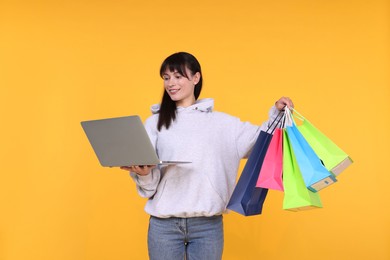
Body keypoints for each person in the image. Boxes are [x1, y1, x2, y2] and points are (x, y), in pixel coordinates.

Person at [121, 52, 293, 260]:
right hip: (164, 226)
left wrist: (276, 114)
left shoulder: (223, 124)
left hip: (207, 226)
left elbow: (261, 142)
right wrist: (145, 173)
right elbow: (149, 188)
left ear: (196, 77)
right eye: (166, 78)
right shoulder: (154, 123)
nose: (171, 83)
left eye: (177, 76)